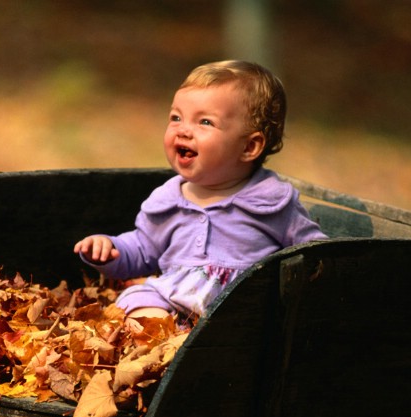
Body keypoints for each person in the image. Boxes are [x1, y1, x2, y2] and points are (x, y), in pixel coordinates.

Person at [74, 60, 327, 324]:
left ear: (249, 147)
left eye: (204, 122)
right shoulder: (169, 200)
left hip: (238, 314)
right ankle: (163, 346)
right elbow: (143, 249)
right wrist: (110, 249)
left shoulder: (270, 201)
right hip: (172, 301)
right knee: (137, 301)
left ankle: (186, 350)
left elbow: (314, 253)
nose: (183, 129)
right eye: (176, 117)